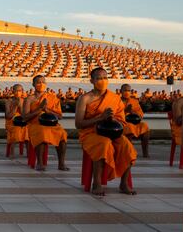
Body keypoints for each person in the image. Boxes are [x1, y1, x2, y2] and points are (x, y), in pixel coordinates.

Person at [76, 68, 137, 196]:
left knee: (127, 146)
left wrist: (112, 119)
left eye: (105, 78)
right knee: (103, 144)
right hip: (91, 133)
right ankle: (97, 183)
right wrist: (100, 118)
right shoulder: (85, 98)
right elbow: (79, 124)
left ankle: (124, 183)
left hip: (111, 132)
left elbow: (122, 121)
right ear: (91, 80)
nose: (102, 81)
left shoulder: (114, 98)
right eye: (98, 78)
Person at [22, 75, 68, 171]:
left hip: (52, 124)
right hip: (35, 124)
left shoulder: (52, 97)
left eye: (43, 82)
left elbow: (59, 116)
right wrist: (39, 109)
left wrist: (47, 110)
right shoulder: (29, 99)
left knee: (63, 134)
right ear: (33, 84)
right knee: (42, 133)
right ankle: (40, 162)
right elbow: (25, 118)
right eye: (38, 82)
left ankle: (61, 163)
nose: (41, 84)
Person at [120, 83, 151, 158]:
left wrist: (132, 112)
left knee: (145, 126)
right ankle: (129, 151)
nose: (127, 92)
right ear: (121, 91)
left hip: (135, 122)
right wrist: (125, 111)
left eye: (129, 90)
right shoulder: (116, 100)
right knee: (129, 127)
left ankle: (145, 152)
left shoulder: (134, 101)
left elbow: (140, 114)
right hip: (122, 123)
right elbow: (115, 114)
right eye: (125, 90)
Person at [4, 83, 26, 158]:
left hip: (22, 122)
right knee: (16, 129)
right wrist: (16, 106)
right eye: (16, 91)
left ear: (22, 91)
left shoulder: (25, 101)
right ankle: (12, 152)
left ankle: (29, 153)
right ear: (13, 91)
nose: (18, 93)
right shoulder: (8, 101)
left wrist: (21, 106)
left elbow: (24, 115)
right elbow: (8, 116)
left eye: (19, 91)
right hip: (11, 123)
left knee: (28, 129)